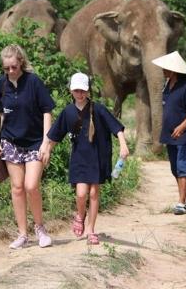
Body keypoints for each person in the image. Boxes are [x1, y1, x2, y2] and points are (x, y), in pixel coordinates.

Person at [46, 72, 129, 244]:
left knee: (93, 193)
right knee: (81, 193)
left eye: (83, 90)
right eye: (76, 91)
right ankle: (80, 215)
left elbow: (116, 127)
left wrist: (123, 144)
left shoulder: (98, 109)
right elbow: (56, 135)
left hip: (97, 157)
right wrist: (47, 150)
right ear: (71, 91)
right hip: (79, 158)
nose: (80, 94)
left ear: (88, 91)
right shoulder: (67, 112)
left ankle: (91, 229)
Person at [0, 44, 55, 249]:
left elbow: (47, 111)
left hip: (35, 141)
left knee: (31, 186)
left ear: (21, 62)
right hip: (10, 141)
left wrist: (46, 142)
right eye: (6, 68)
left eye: (14, 67)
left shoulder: (34, 82)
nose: (10, 71)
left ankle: (40, 228)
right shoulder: (0, 84)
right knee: (17, 188)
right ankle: (22, 234)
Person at [152, 51, 186, 215]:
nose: (163, 71)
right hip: (169, 133)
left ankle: (181, 203)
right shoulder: (167, 86)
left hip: (184, 133)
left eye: (165, 68)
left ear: (173, 70)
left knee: (182, 166)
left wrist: (182, 126)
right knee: (174, 168)